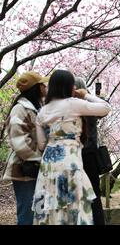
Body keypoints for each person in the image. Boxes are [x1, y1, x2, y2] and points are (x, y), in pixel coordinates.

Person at [32, 69, 111, 225]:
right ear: (69, 86)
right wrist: (85, 95)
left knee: (49, 202)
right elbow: (105, 108)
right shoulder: (73, 104)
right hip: (70, 160)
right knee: (74, 203)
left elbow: (41, 144)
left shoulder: (42, 112)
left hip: (48, 163)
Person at [2, 71, 48, 225]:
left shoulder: (37, 107)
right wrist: (40, 158)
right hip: (24, 169)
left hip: (38, 169)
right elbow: (19, 141)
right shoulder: (20, 109)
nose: (45, 87)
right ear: (36, 88)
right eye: (42, 84)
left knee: (40, 209)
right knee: (27, 211)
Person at [74, 77, 106, 225]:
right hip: (88, 154)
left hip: (82, 155)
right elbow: (105, 106)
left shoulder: (81, 106)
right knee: (93, 194)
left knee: (88, 193)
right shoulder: (88, 106)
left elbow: (106, 107)